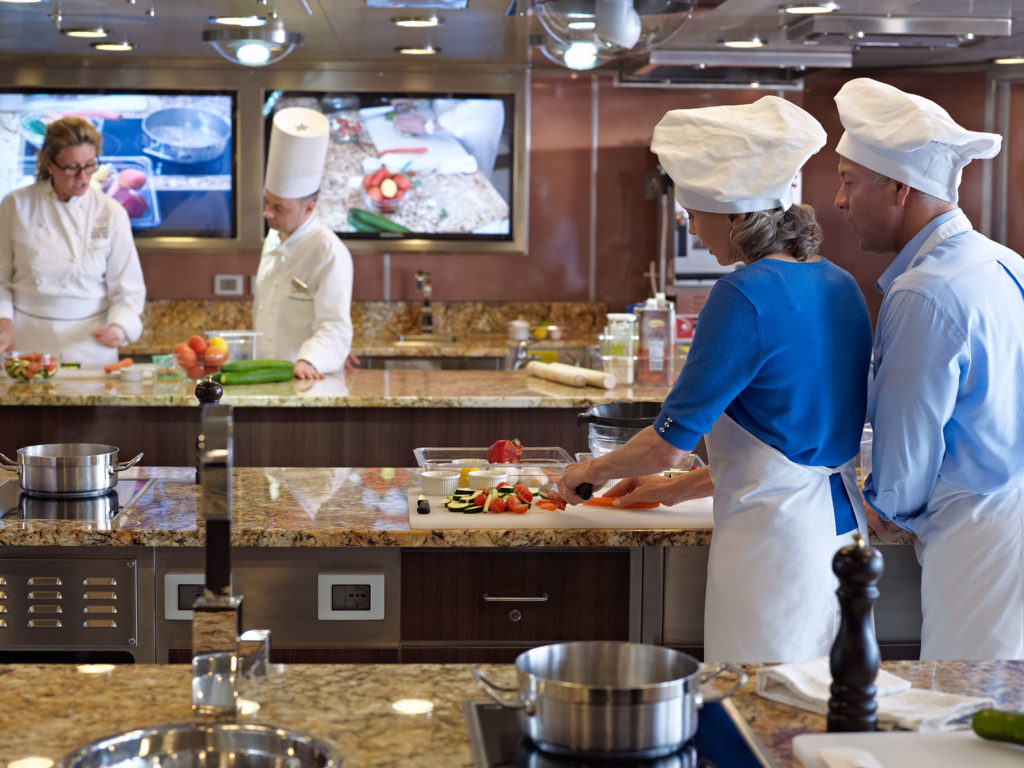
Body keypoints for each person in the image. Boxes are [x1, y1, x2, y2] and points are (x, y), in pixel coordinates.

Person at [558, 96, 874, 664]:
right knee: (828, 710)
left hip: (772, 548)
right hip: (839, 536)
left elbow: (665, 444)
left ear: (735, 217)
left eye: (693, 214)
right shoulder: (840, 284)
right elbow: (787, 439)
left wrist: (588, 472)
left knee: (756, 711)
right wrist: (678, 489)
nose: (691, 227)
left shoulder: (741, 296)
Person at [832, 78, 1024, 660]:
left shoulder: (925, 292)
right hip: (1010, 517)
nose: (839, 201)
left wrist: (886, 508)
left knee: (970, 713)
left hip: (979, 537)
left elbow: (909, 448)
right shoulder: (1002, 261)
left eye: (848, 181)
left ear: (897, 188)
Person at [0, 117, 145, 366]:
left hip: (90, 347)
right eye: (71, 167)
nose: (83, 177)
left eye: (89, 165)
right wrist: (5, 325)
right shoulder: (16, 205)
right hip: (26, 343)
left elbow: (128, 290)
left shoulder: (111, 213)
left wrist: (119, 328)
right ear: (50, 164)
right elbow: (1, 279)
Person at [254, 107, 355, 380]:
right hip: (266, 377)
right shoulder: (275, 236)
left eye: (279, 207)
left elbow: (335, 327)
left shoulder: (328, 251)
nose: (268, 214)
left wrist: (311, 360)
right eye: (267, 202)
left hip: (305, 380)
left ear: (309, 209)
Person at [390, 98, 505, 179]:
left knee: (474, 177)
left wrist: (430, 126)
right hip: (442, 114)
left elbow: (479, 101)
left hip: (475, 121)